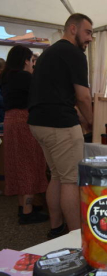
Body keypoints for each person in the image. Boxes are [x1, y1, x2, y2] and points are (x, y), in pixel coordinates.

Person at [28, 13, 93, 238]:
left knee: (56, 175)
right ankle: (76, 237)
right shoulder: (73, 53)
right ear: (73, 29)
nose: (91, 38)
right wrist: (93, 122)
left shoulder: (49, 53)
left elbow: (56, 91)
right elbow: (83, 96)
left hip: (38, 123)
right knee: (70, 180)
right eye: (88, 32)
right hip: (60, 125)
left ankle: (56, 228)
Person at [1, 45, 49, 224]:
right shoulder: (25, 77)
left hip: (10, 120)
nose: (32, 64)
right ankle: (28, 212)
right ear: (25, 60)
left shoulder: (6, 77)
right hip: (24, 121)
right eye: (31, 60)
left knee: (16, 164)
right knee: (28, 163)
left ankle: (23, 206)